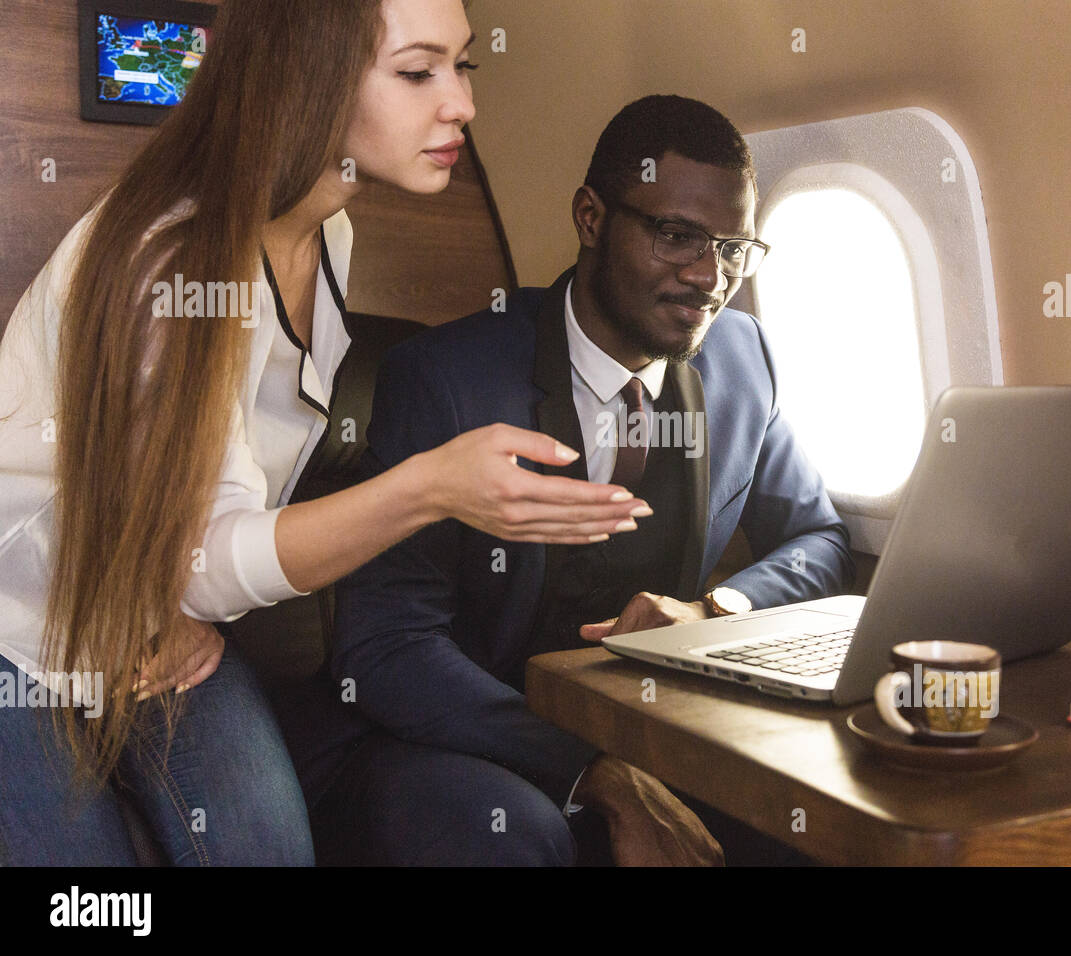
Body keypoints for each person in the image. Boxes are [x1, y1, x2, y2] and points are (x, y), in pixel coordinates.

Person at [0, 0, 648, 866]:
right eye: (419, 72)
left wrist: (175, 601)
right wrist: (429, 487)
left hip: (154, 612)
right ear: (306, 79)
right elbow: (197, 557)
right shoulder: (175, 262)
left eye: (464, 68)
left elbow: (196, 539)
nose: (461, 104)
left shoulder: (329, 234)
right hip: (24, 626)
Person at [306, 94, 855, 866]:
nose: (710, 276)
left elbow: (820, 538)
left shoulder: (743, 358)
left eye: (734, 247)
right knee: (508, 839)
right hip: (458, 733)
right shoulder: (445, 380)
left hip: (653, 721)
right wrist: (591, 769)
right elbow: (387, 647)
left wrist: (716, 607)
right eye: (676, 237)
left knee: (817, 813)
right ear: (591, 218)